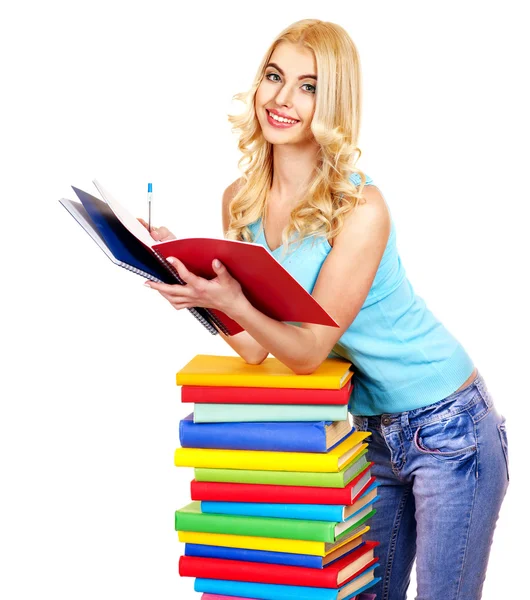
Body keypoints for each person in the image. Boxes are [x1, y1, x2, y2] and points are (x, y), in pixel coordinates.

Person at [142, 18, 509, 600]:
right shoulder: (240, 203)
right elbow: (257, 345)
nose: (282, 99)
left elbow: (309, 349)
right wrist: (193, 290)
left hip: (447, 424)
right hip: (361, 430)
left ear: (333, 101)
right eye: (273, 76)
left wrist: (232, 299)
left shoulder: (360, 206)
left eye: (308, 86)